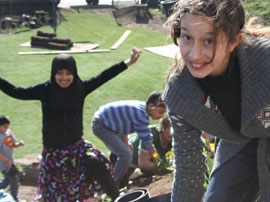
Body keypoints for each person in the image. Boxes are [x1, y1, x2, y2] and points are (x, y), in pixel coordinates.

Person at [0, 47, 141, 201]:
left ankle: (116, 198)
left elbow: (103, 76)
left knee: (95, 162)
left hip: (76, 148)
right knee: (54, 196)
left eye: (68, 73)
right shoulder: (45, 90)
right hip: (53, 154)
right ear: (54, 74)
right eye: (60, 73)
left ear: (74, 73)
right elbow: (17, 91)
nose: (64, 77)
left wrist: (128, 62)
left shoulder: (80, 88)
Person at [162, 0, 270, 202]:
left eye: (208, 41)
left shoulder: (265, 63)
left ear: (234, 41)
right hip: (240, 139)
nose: (194, 54)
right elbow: (188, 169)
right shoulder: (180, 94)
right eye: (187, 37)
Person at [91, 91, 167, 187]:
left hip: (111, 126)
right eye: (160, 112)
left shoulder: (141, 108)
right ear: (151, 106)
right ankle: (111, 186)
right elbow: (148, 143)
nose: (161, 116)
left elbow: (123, 127)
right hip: (102, 125)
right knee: (126, 155)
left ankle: (118, 182)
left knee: (128, 151)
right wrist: (157, 159)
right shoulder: (142, 115)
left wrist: (126, 146)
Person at [110, 115, 172, 187]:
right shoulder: (150, 135)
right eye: (170, 127)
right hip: (124, 158)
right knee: (117, 184)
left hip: (137, 163)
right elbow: (143, 164)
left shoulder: (175, 138)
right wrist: (164, 169)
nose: (172, 132)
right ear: (163, 127)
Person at [0, 115, 24, 202]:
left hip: (10, 162)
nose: (6, 128)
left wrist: (19, 144)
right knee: (14, 180)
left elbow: (13, 145)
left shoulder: (8, 132)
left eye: (7, 126)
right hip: (3, 164)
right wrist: (6, 161)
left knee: (6, 180)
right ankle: (15, 198)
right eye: (4, 127)